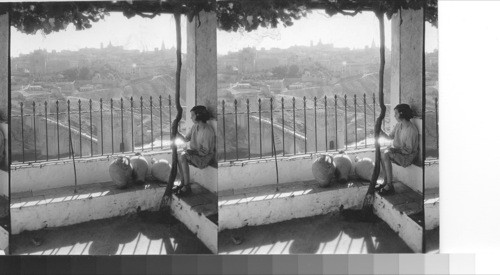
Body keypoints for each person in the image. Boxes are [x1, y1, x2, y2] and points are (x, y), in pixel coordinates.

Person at [376, 103, 419, 195]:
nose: (394, 116)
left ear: (402, 114)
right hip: (400, 152)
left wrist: (394, 150)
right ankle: (385, 181)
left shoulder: (411, 130)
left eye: (396, 113)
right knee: (382, 152)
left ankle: (389, 185)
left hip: (408, 157)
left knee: (387, 154)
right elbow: (390, 137)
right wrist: (380, 131)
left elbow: (408, 150)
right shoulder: (399, 125)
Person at [173, 105, 215, 196]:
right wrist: (177, 132)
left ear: (198, 115)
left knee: (183, 156)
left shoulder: (208, 131)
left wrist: (191, 153)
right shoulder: (195, 127)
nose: (191, 117)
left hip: (204, 158)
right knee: (179, 155)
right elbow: (186, 139)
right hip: (196, 154)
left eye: (192, 115)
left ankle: (187, 186)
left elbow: (205, 152)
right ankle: (183, 182)